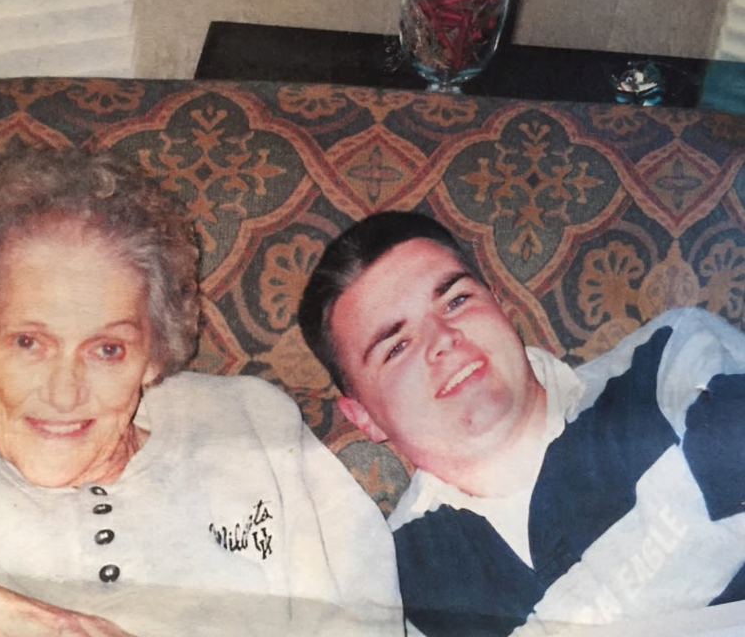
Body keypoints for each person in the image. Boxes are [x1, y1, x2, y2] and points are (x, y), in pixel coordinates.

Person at [0, 149, 402, 637]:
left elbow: (364, 614)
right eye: (28, 342)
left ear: (153, 353)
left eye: (108, 349)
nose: (65, 394)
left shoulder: (250, 426)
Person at [298, 210, 745, 637]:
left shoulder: (667, 356)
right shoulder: (394, 582)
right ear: (365, 418)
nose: (444, 339)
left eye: (456, 301)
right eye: (396, 347)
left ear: (499, 304)